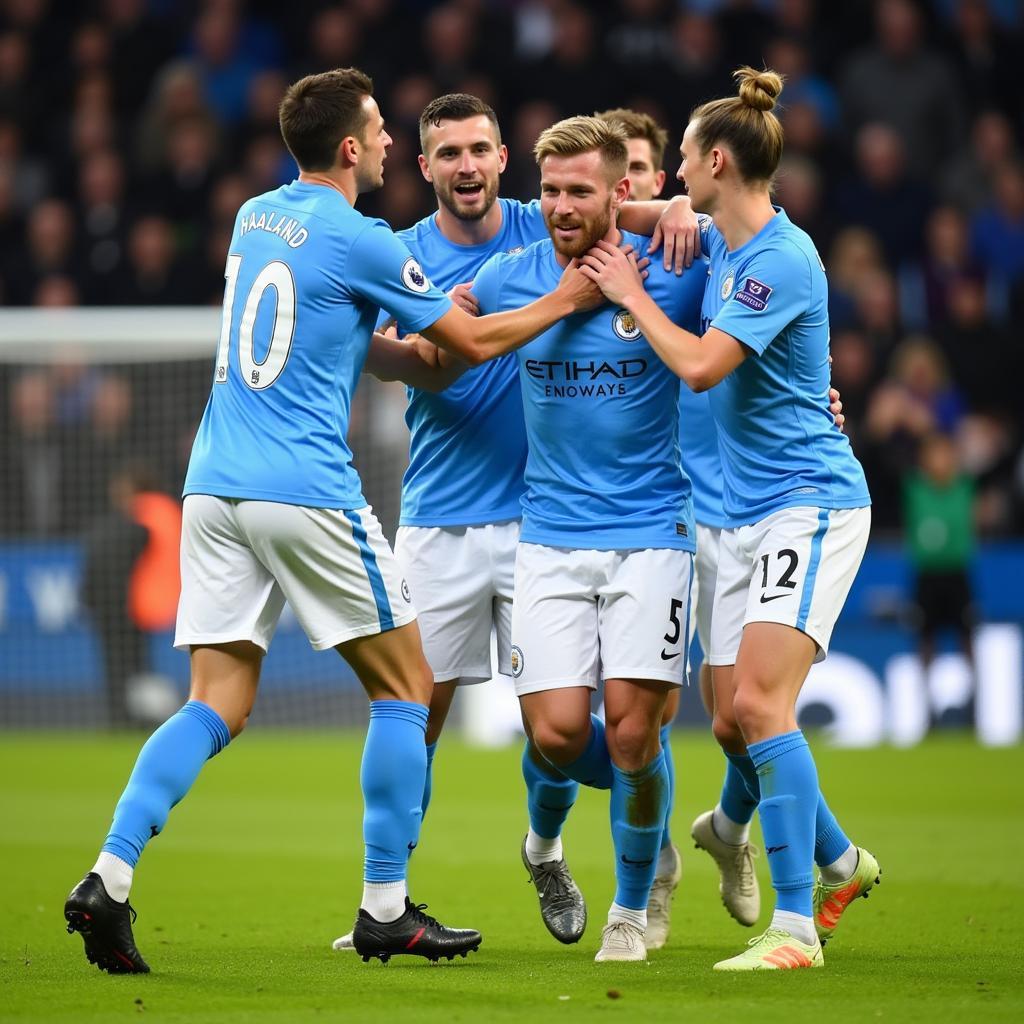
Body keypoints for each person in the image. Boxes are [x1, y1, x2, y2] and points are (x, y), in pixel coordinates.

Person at [62, 67, 600, 975]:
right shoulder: (368, 240)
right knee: (405, 688)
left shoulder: (252, 217)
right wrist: (563, 303)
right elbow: (464, 348)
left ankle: (108, 877)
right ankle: (385, 907)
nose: (392, 141)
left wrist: (416, 343)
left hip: (213, 484)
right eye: (385, 129)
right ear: (352, 147)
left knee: (215, 702)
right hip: (305, 488)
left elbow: (398, 357)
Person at [333, 94, 701, 954]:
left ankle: (611, 855)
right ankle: (387, 902)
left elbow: (655, 215)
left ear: (503, 161)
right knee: (418, 716)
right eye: (447, 152)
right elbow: (425, 362)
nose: (466, 165)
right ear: (423, 166)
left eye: (479, 150)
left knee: (612, 727)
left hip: (556, 520)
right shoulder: (410, 257)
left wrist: (678, 204)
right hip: (447, 517)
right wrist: (359, 344)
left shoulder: (552, 226)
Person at [580, 68, 879, 971]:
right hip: (732, 516)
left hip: (807, 503)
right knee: (729, 722)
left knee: (758, 703)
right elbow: (627, 215)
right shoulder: (717, 235)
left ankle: (795, 927)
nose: (668, 173)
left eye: (679, 162)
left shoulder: (780, 259)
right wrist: (630, 211)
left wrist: (632, 297)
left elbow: (705, 367)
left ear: (718, 160)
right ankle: (812, 851)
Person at [472, 115, 709, 963]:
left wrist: (685, 212)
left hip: (652, 532)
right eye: (552, 191)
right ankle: (543, 846)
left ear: (621, 190)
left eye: (581, 190)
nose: (564, 206)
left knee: (636, 736)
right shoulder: (511, 278)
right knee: (558, 736)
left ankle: (630, 908)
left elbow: (762, 268)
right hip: (549, 538)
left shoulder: (675, 271)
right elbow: (446, 331)